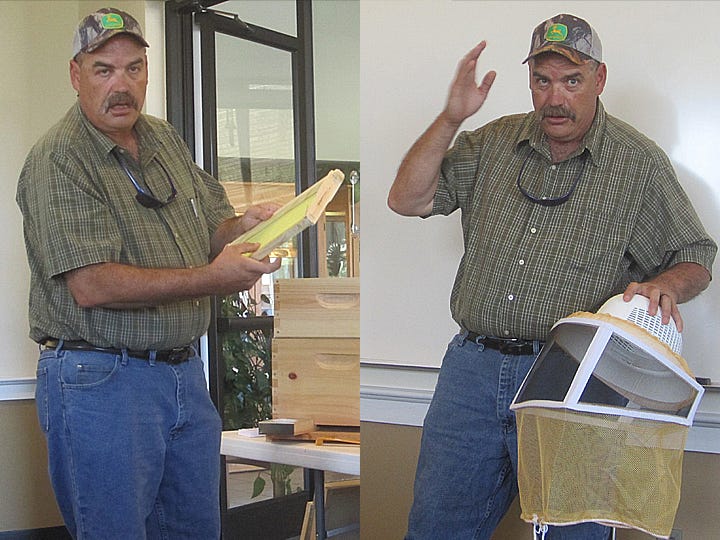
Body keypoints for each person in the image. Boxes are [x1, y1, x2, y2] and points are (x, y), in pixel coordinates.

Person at [387, 13, 716, 540]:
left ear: (599, 79)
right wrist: (451, 118)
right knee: (435, 528)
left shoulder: (637, 165)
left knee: (571, 533)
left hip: (571, 377)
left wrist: (667, 285)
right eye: (543, 80)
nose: (555, 98)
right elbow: (406, 199)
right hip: (470, 373)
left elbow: (696, 253)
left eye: (571, 80)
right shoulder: (493, 142)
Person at [16, 8, 281, 539]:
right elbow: (91, 285)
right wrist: (214, 279)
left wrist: (242, 226)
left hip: (183, 376)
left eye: (134, 68)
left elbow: (209, 231)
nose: (122, 85)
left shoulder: (163, 140)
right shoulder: (60, 158)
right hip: (100, 383)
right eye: (104, 69)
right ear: (76, 74)